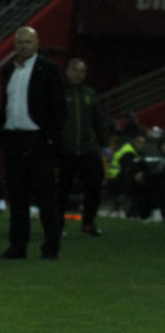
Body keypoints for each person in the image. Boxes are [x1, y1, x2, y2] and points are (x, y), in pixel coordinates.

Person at [0, 27, 65, 260]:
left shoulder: (50, 70)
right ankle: (17, 247)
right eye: (20, 42)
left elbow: (60, 109)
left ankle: (51, 246)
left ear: (36, 43)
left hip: (38, 140)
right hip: (14, 140)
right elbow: (7, 106)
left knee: (46, 197)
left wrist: (49, 138)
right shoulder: (9, 70)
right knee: (17, 197)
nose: (23, 46)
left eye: (27, 42)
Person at [57, 58, 109, 236]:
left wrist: (104, 144)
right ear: (67, 71)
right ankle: (57, 225)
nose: (78, 74)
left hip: (87, 148)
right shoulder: (60, 93)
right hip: (66, 149)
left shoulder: (89, 94)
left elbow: (98, 121)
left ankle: (88, 223)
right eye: (75, 70)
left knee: (94, 186)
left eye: (82, 71)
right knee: (62, 189)